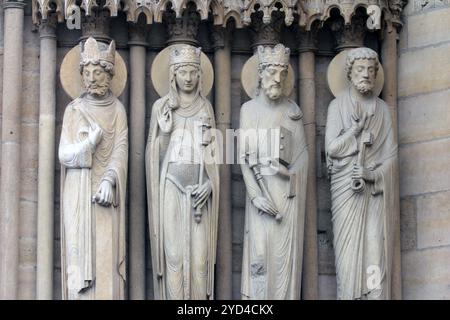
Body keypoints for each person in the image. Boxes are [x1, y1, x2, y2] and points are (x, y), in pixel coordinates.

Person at [146, 45, 219, 300]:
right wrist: (164, 133)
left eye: (193, 72)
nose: (188, 78)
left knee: (200, 261)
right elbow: (154, 157)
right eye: (183, 72)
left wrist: (209, 185)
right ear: (173, 74)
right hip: (171, 187)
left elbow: (214, 157)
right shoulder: (162, 107)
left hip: (199, 195)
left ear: (200, 75)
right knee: (174, 257)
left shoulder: (205, 108)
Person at [325, 47, 398, 300]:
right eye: (360, 69)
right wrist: (355, 133)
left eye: (370, 69)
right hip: (346, 193)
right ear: (350, 73)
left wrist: (371, 174)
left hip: (374, 195)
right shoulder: (337, 106)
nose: (366, 74)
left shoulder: (383, 111)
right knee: (347, 260)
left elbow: (391, 158)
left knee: (374, 252)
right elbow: (331, 149)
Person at [59, 37, 128, 299]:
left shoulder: (118, 110)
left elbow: (121, 149)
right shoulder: (73, 110)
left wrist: (110, 180)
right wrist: (88, 143)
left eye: (97, 72)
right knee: (78, 256)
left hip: (106, 191)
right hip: (77, 191)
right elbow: (63, 154)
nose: (91, 78)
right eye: (86, 73)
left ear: (109, 75)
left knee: (106, 259)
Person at [239, 44, 308, 299]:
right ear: (260, 74)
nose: (277, 79)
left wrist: (289, 175)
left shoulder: (292, 112)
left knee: (282, 263)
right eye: (271, 73)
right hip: (261, 200)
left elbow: (302, 158)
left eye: (282, 74)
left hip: (287, 199)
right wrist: (256, 195)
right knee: (260, 258)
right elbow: (244, 157)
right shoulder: (249, 110)